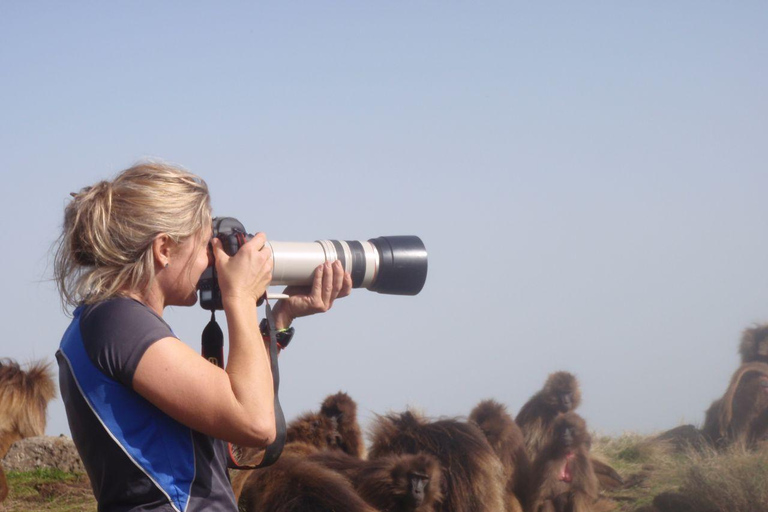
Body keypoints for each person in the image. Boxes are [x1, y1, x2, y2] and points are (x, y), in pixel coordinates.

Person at [54, 161, 352, 512]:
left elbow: (230, 412)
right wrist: (239, 297)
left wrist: (281, 318)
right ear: (164, 249)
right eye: (202, 246)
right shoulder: (118, 322)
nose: (210, 261)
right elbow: (255, 424)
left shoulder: (109, 322)